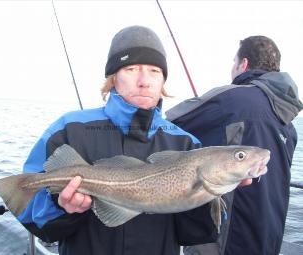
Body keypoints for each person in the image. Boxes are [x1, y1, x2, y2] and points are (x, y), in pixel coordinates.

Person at [17, 25, 217, 255]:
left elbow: (195, 235)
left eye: (154, 71)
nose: (144, 80)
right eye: (131, 68)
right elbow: (29, 212)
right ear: (113, 78)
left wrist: (209, 194)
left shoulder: (187, 145)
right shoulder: (68, 130)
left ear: (163, 80)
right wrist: (61, 208)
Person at [167, 35, 303, 255]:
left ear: (244, 64)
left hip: (228, 238)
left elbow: (171, 123)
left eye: (234, 62)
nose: (233, 68)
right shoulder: (289, 124)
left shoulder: (232, 99)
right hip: (269, 237)